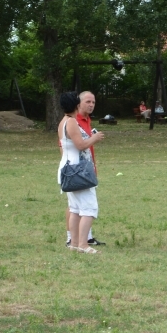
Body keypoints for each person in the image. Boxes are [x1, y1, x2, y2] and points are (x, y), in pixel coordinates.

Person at [57, 92, 105, 254]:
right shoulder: (71, 122)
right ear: (77, 105)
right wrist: (95, 138)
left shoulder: (63, 121)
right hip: (77, 171)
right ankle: (84, 244)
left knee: (76, 208)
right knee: (90, 208)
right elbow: (81, 145)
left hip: (71, 169)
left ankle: (75, 244)